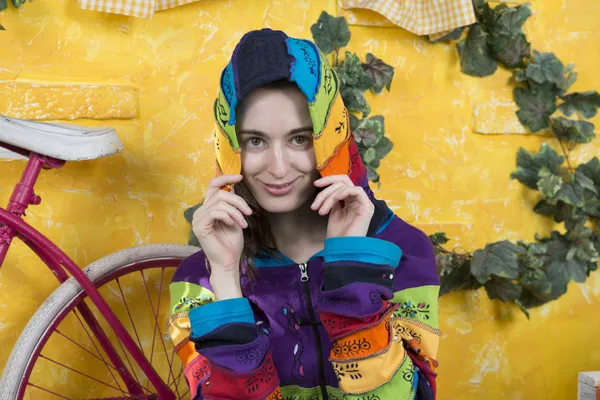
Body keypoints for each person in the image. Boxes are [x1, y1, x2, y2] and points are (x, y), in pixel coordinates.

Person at [168, 28, 440, 400]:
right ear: (229, 147)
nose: (278, 168)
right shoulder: (199, 279)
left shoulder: (403, 251)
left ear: (330, 137)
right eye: (255, 140)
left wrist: (351, 266)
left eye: (300, 139)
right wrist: (227, 281)